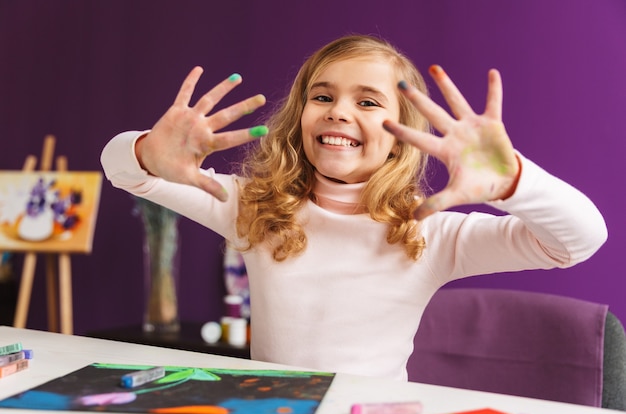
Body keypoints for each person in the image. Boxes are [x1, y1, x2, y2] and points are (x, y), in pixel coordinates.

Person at [101, 34, 607, 381]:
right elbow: (121, 168)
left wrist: (512, 180)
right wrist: (148, 153)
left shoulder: (429, 232)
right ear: (301, 116)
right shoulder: (252, 207)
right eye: (322, 96)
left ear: (400, 136)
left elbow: (579, 240)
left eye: (367, 102)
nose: (339, 110)